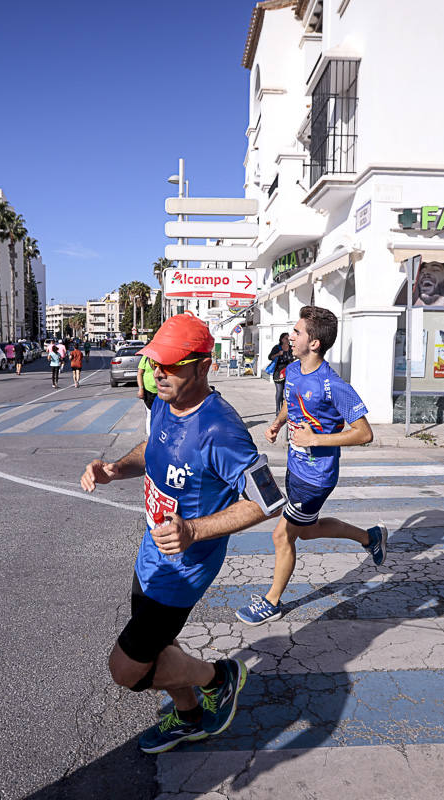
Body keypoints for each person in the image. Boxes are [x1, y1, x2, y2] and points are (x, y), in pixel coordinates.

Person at [80, 313, 283, 753]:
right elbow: (154, 449)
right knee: (162, 646)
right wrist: (115, 468)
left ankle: (219, 678)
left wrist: (194, 529)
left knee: (126, 670)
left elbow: (268, 501)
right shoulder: (164, 402)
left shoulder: (222, 431)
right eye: (154, 363)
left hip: (182, 571)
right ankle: (191, 718)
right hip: (151, 556)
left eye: (170, 365)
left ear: (203, 365)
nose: (158, 373)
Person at [235, 305, 387, 626]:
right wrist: (277, 424)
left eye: (297, 332)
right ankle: (370, 538)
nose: (291, 336)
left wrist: (314, 440)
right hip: (295, 469)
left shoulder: (333, 385)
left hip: (316, 477)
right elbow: (292, 404)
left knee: (282, 535)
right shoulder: (292, 371)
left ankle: (272, 601)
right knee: (308, 531)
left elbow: (364, 433)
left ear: (314, 343)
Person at [266, 333, 296, 415]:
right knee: (279, 391)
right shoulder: (277, 348)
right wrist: (278, 354)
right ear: (282, 339)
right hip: (278, 372)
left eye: (288, 338)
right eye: (286, 338)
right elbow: (270, 357)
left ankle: (287, 409)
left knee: (288, 391)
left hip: (289, 373)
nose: (288, 340)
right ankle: (278, 409)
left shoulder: (291, 348)